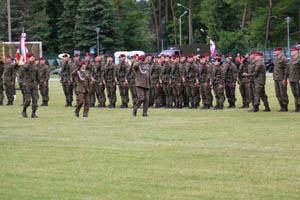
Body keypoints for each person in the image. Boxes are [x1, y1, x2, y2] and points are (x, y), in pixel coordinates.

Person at [21, 54, 39, 118]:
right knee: (28, 100)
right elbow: (24, 69)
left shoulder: (35, 65)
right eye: (31, 57)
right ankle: (24, 110)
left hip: (34, 84)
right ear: (28, 58)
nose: (33, 58)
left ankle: (33, 113)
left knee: (35, 99)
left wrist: (38, 83)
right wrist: (29, 62)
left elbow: (37, 75)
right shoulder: (26, 64)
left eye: (33, 57)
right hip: (27, 84)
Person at [273, 47, 289, 112]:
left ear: (279, 51)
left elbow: (286, 69)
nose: (274, 52)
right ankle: (281, 106)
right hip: (276, 79)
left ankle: (285, 107)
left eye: (275, 51)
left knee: (283, 93)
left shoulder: (284, 59)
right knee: (277, 93)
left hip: (282, 79)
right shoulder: (276, 59)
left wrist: (284, 79)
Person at [287, 47, 300, 112]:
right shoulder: (291, 60)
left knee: (299, 93)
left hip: (297, 79)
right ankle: (297, 107)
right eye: (291, 51)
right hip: (292, 79)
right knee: (294, 94)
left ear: (297, 51)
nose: (291, 52)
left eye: (292, 51)